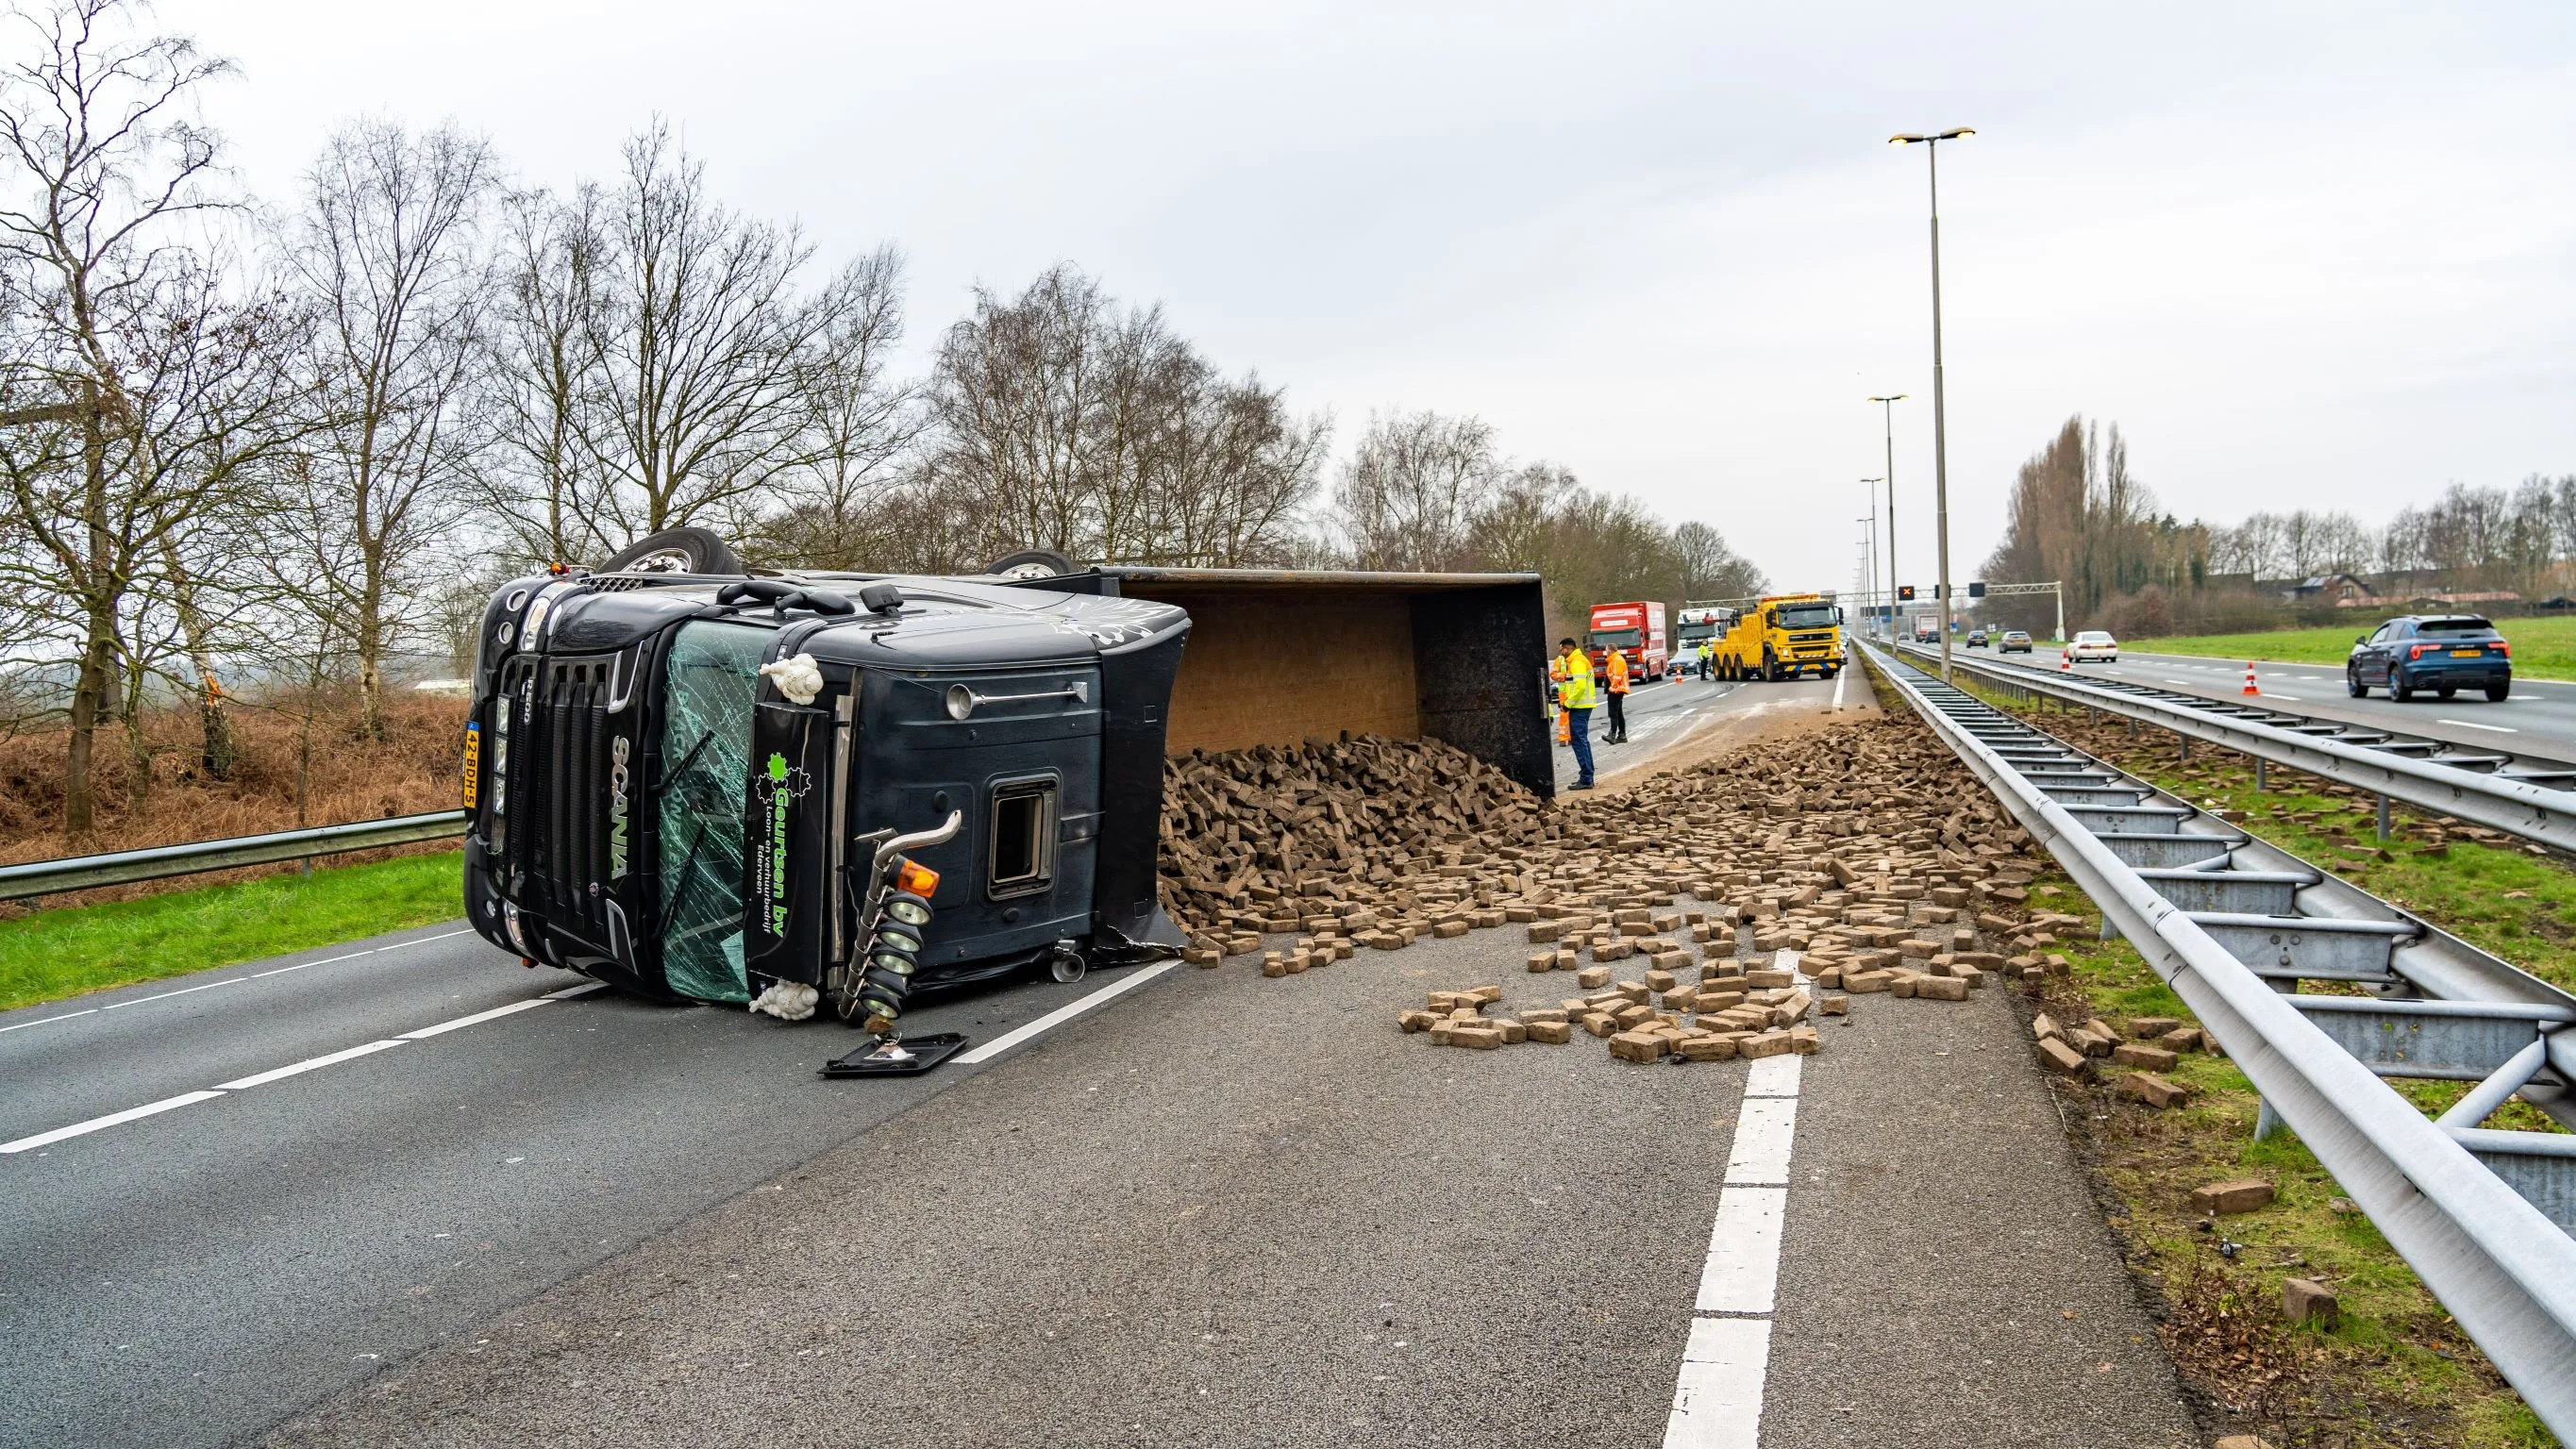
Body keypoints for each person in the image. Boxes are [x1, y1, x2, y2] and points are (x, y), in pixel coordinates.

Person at [1552, 637, 1597, 790]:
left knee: (1579, 741)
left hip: (1579, 706)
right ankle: (1588, 776)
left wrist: (1567, 704)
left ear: (1568, 648)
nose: (1560, 652)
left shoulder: (1577, 662)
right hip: (1582, 705)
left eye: (1561, 649)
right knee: (1582, 741)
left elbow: (1579, 687)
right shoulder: (1579, 660)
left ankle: (1586, 778)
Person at [1602, 645, 1630, 742]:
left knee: (1613, 712)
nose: (1606, 652)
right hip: (1618, 689)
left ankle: (1612, 735)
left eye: (1607, 650)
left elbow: (1617, 676)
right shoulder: (1615, 659)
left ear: (1611, 651)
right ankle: (1622, 735)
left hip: (1616, 690)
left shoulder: (1616, 660)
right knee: (1618, 713)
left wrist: (1612, 687)